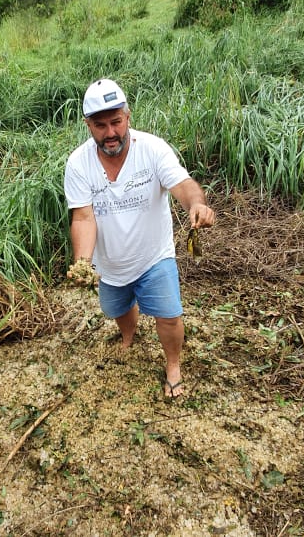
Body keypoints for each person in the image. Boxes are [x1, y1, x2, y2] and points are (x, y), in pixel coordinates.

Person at [63, 78, 216, 398]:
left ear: (128, 116)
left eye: (116, 122)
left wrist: (197, 204)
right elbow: (83, 217)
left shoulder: (153, 149)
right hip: (110, 263)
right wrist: (83, 262)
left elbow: (183, 185)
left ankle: (173, 365)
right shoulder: (78, 164)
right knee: (117, 308)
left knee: (169, 315)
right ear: (87, 125)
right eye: (100, 125)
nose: (110, 133)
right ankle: (129, 336)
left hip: (153, 256)